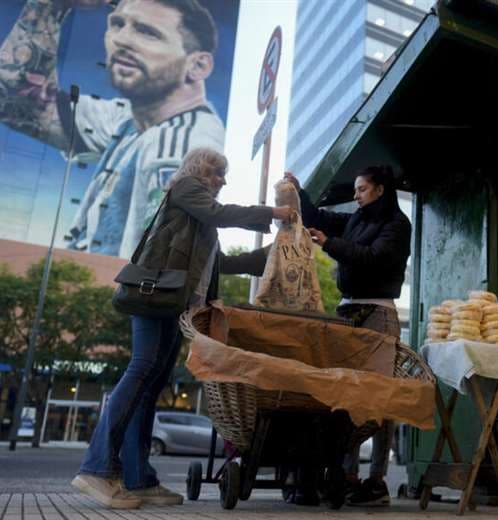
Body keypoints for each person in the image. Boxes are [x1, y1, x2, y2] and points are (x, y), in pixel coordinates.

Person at [71, 148, 293, 509]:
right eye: (218, 172)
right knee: (141, 371)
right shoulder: (186, 188)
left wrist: (275, 251)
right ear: (201, 169)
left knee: (150, 385)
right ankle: (97, 468)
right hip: (155, 299)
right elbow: (219, 213)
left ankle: (138, 478)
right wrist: (271, 212)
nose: (222, 180)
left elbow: (219, 263)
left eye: (224, 174)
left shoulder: (198, 219)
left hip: (177, 306)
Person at [0, 0, 225, 257]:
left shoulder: (181, 144)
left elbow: (162, 254)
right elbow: (16, 98)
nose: (121, 40)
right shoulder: (132, 119)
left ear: (198, 65)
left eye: (147, 32)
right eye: (117, 24)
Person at [284, 166, 411, 507]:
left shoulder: (397, 225)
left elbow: (374, 258)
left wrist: (328, 244)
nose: (356, 196)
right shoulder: (356, 219)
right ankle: (347, 474)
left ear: (380, 190)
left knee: (379, 399)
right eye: (356, 190)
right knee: (344, 395)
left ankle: (376, 480)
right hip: (346, 313)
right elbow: (319, 217)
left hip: (378, 315)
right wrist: (299, 192)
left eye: (362, 189)